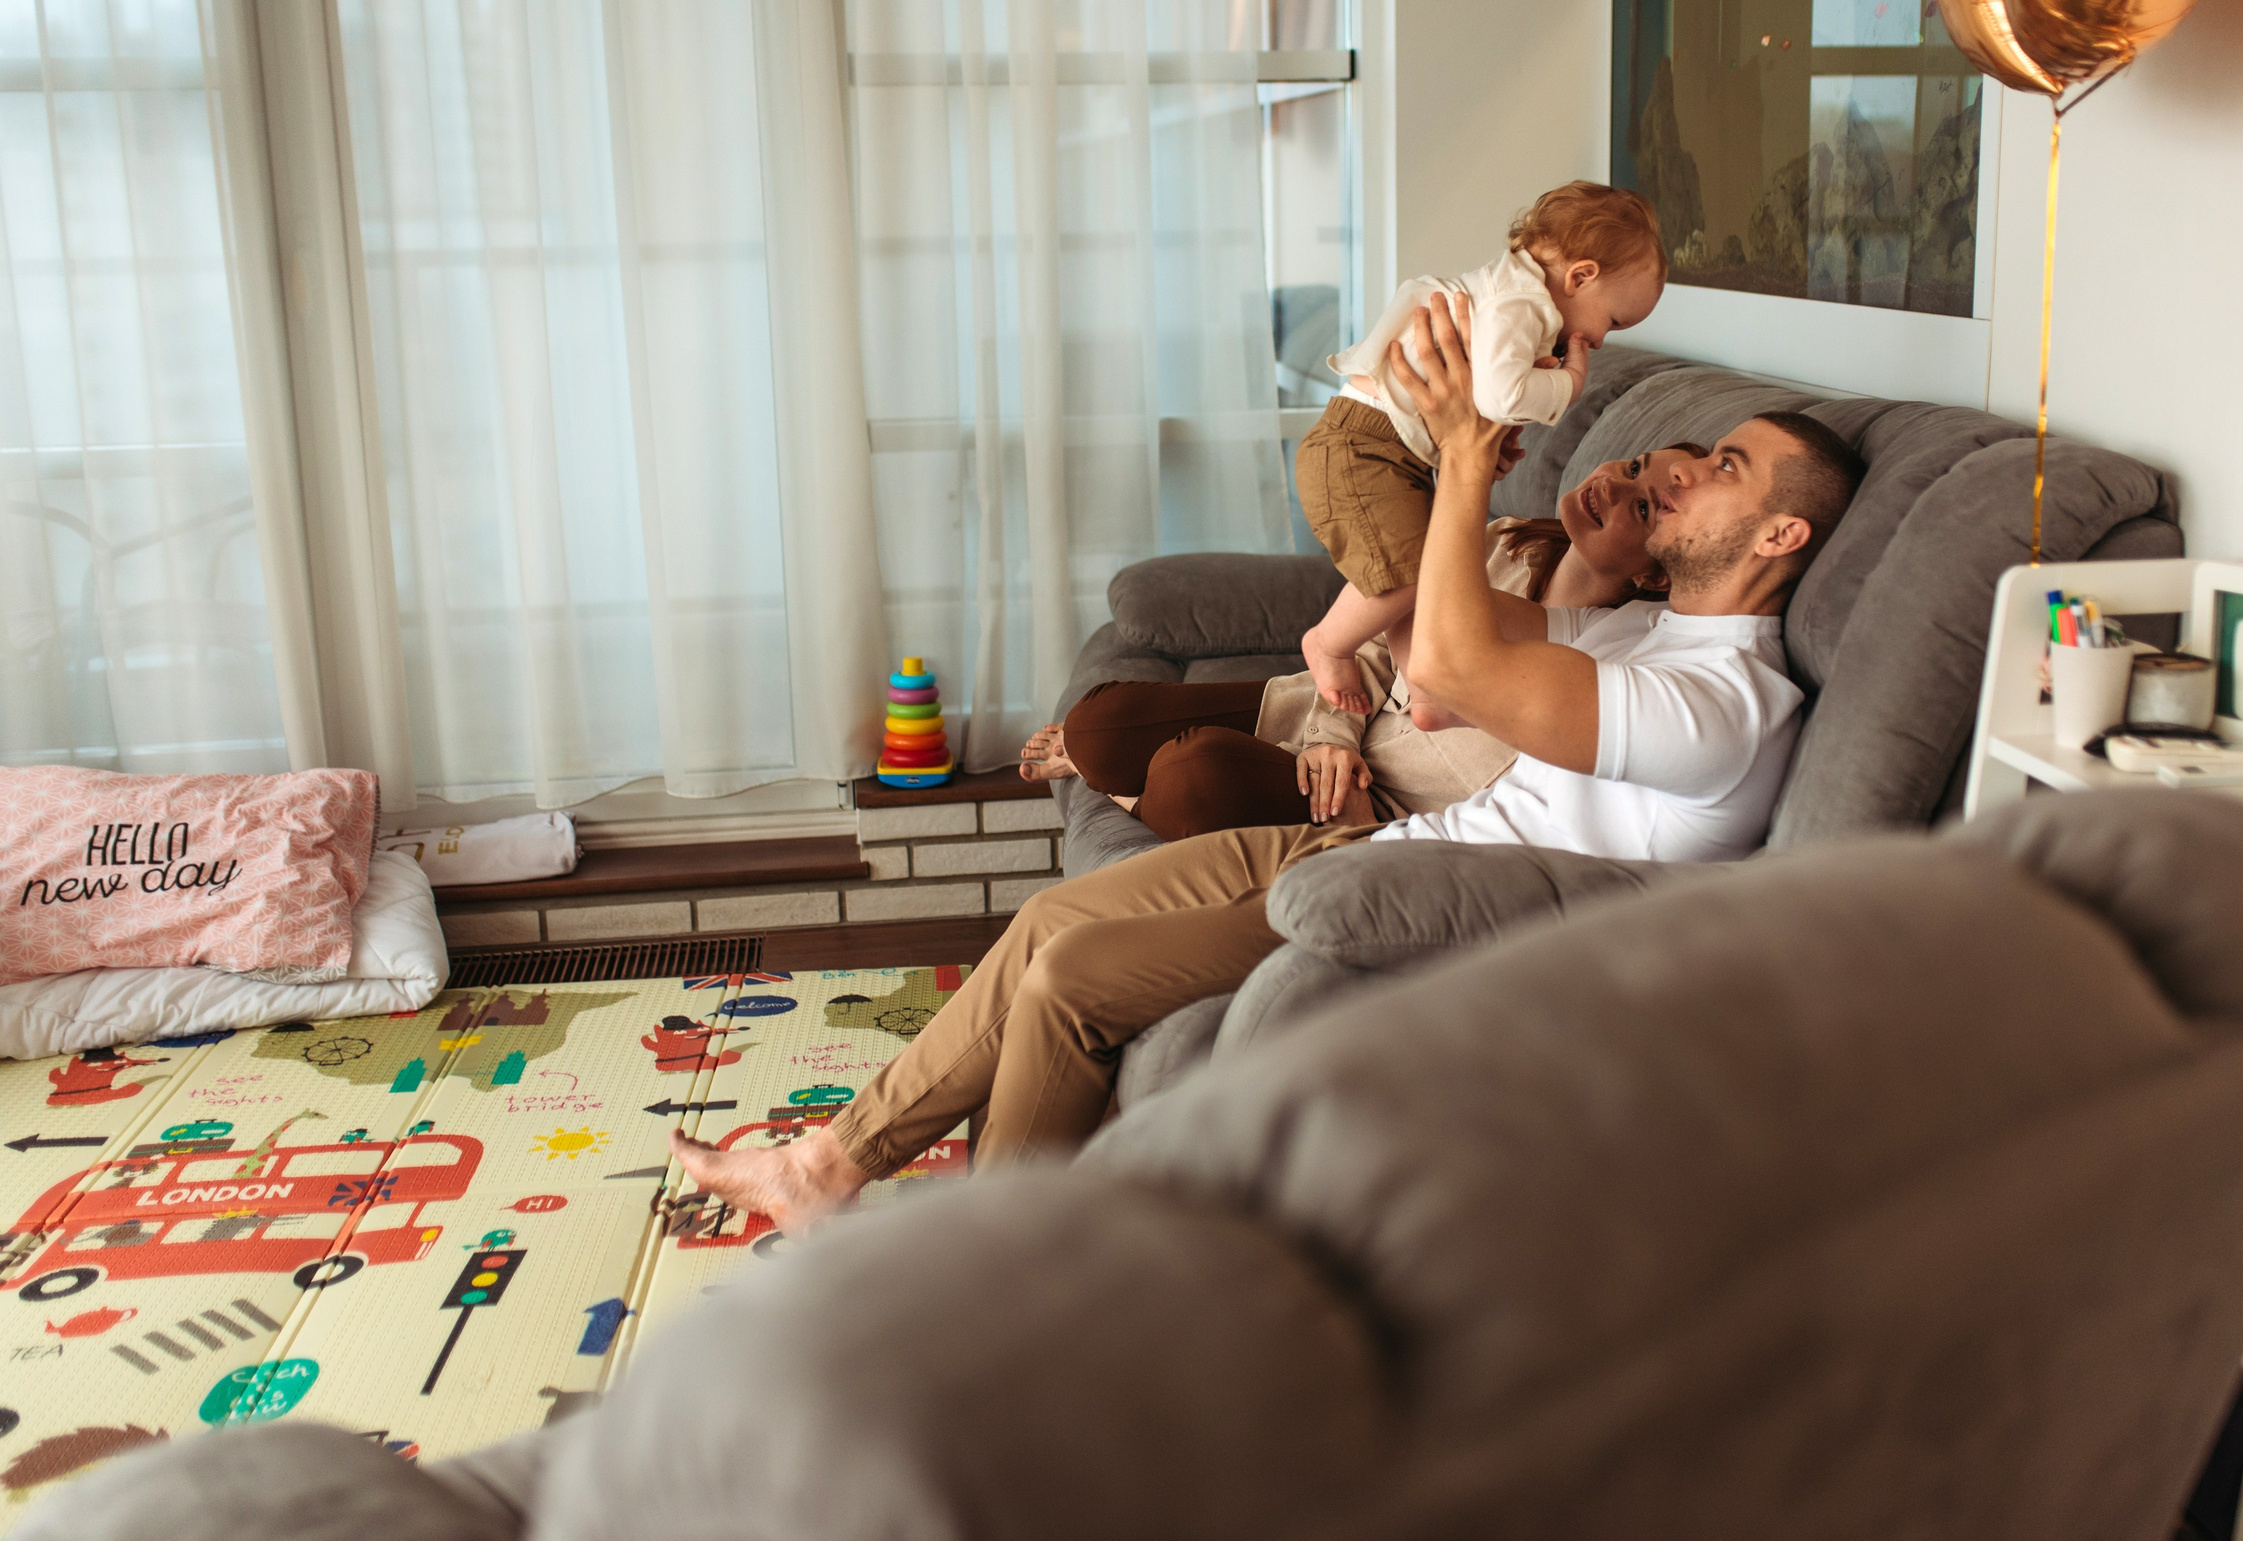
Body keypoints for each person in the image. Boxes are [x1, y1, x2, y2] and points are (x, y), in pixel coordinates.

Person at [670, 289, 1863, 1234]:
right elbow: (1455, 640)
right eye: (1700, 446)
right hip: (1371, 847)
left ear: (1779, 534)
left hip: (1420, 910)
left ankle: (995, 1284)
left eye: (1725, 468)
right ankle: (826, 1163)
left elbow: (1448, 666)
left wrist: (1457, 458)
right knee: (1046, 922)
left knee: (1074, 978)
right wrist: (1557, 538)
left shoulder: (1722, 706)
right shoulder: (1646, 630)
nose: (1682, 464)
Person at [1016, 443, 1710, 839]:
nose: (1612, 486)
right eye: (1632, 465)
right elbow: (1372, 650)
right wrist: (1332, 736)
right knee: (1098, 722)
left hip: (1371, 803)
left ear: (1653, 575)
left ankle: (1139, 788)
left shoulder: (1598, 668)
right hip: (1330, 720)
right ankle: (1113, 767)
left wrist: (1359, 822)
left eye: (1642, 506)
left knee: (1188, 772)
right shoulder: (1504, 540)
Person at [1294, 181, 1668, 723]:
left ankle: (1424, 688)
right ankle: (1329, 643)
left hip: (1397, 446)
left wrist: (1480, 447)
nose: (1603, 340)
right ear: (1581, 275)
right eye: (1613, 320)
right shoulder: (1522, 304)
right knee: (1421, 571)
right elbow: (1500, 393)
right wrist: (1569, 383)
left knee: (1430, 578)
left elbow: (1483, 402)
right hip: (1366, 443)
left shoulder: (1517, 302)